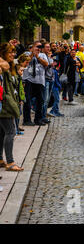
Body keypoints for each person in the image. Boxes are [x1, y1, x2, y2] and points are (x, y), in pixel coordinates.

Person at [0, 43, 23, 171]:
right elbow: (6, 92)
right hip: (5, 105)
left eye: (14, 52)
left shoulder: (8, 66)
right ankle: (10, 162)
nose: (13, 55)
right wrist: (14, 107)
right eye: (10, 52)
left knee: (2, 132)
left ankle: (0, 159)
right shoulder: (4, 65)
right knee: (10, 132)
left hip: (5, 103)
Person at [22, 42, 49, 126]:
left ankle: (38, 119)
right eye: (37, 46)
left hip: (39, 81)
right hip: (29, 80)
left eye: (40, 47)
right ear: (33, 46)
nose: (38, 48)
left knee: (40, 101)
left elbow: (46, 64)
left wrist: (37, 57)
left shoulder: (43, 55)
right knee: (27, 101)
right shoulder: (26, 54)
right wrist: (32, 54)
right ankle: (27, 120)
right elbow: (24, 62)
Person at [41, 43, 53, 124]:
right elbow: (45, 66)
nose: (49, 48)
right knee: (45, 99)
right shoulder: (42, 56)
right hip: (45, 79)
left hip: (50, 79)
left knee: (47, 99)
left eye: (49, 47)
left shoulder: (47, 56)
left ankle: (44, 115)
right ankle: (43, 117)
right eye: (47, 47)